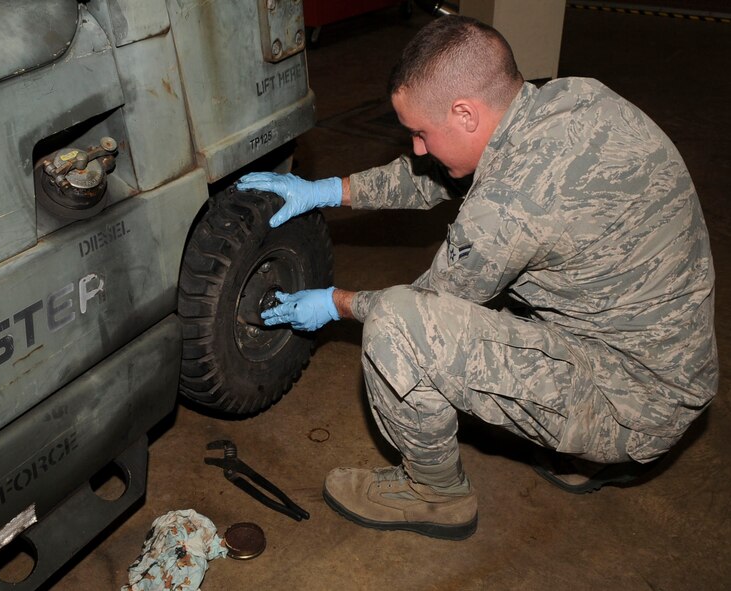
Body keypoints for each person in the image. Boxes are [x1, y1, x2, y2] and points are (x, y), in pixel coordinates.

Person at [236, 16, 717, 541]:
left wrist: (335, 301)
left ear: (465, 112)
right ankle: (588, 450)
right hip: (663, 356)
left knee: (400, 328)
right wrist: (327, 190)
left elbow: (421, 307)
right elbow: (441, 173)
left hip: (639, 402)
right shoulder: (568, 100)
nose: (416, 147)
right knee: (508, 284)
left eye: (420, 132)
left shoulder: (512, 208)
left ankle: (435, 494)